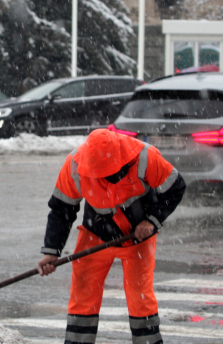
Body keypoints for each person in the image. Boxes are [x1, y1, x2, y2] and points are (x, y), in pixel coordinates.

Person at [36, 128, 186, 344]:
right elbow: (62, 210)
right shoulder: (75, 165)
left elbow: (175, 188)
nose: (106, 179)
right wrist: (52, 251)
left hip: (137, 238)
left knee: (140, 299)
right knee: (83, 297)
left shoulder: (145, 156)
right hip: (94, 234)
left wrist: (151, 221)